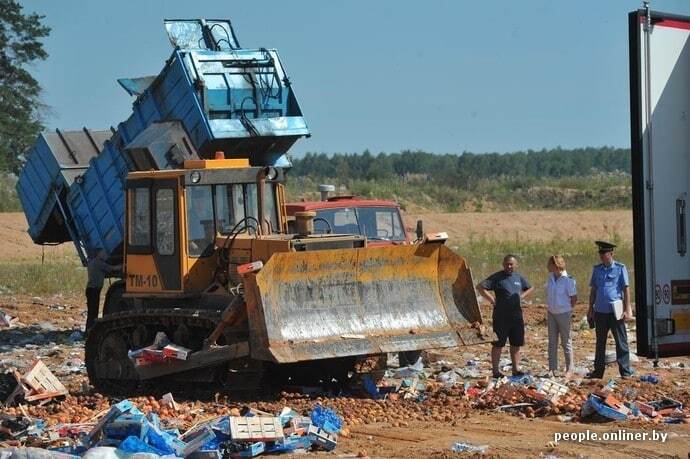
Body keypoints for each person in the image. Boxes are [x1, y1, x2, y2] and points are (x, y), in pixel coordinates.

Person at [477, 254, 534, 378]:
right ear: (503, 265)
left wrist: (521, 297)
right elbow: (480, 287)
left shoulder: (518, 278)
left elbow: (530, 288)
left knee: (516, 343)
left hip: (516, 317)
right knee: (498, 344)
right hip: (501, 316)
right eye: (507, 264)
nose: (509, 266)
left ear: (516, 265)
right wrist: (492, 300)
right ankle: (496, 371)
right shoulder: (497, 277)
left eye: (511, 264)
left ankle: (516, 369)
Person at [586, 241, 634, 379]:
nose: (601, 256)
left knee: (621, 342)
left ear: (611, 254)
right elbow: (594, 289)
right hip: (600, 312)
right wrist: (590, 308)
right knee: (600, 343)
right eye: (600, 253)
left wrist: (627, 308)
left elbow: (626, 288)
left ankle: (625, 371)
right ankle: (598, 371)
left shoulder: (620, 268)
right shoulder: (597, 269)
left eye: (604, 254)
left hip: (616, 311)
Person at [545, 255, 577, 378]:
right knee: (552, 342)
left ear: (556, 265)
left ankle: (569, 369)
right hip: (551, 312)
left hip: (564, 313)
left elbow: (574, 298)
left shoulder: (568, 280)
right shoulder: (550, 278)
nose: (549, 267)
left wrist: (567, 309)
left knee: (566, 342)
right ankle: (552, 368)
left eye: (551, 265)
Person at [85, 249, 122, 332]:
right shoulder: (99, 263)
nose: (105, 255)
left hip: (90, 289)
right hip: (94, 290)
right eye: (103, 253)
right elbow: (112, 268)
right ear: (99, 254)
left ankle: (88, 330)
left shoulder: (91, 262)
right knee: (94, 311)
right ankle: (90, 330)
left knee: (91, 311)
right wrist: (123, 265)